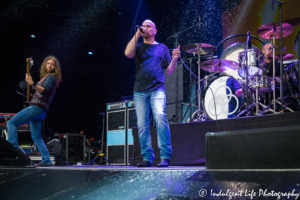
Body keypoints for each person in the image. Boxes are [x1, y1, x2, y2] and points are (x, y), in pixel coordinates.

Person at [124, 19, 180, 167]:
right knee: (142, 125)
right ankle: (147, 158)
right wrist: (137, 33)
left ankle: (165, 156)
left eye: (149, 26)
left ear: (155, 31)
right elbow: (127, 53)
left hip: (157, 89)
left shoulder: (162, 48)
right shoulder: (138, 46)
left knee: (160, 117)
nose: (145, 27)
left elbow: (169, 70)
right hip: (140, 91)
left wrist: (174, 60)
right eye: (144, 25)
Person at [7, 56, 62, 167]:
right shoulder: (46, 77)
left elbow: (44, 91)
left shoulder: (51, 77)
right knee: (36, 137)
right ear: (45, 65)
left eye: (52, 64)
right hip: (41, 111)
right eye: (48, 63)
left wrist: (32, 83)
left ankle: (13, 151)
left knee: (11, 123)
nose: (50, 65)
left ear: (55, 67)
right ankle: (46, 160)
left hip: (36, 109)